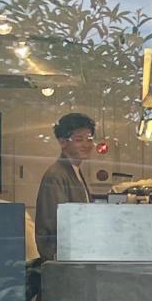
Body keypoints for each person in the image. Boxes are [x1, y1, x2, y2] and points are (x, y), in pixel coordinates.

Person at [33, 111, 96, 262]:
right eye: (79, 140)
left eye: (89, 139)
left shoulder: (75, 171)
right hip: (62, 259)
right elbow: (59, 225)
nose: (86, 145)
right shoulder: (56, 175)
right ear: (62, 142)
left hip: (73, 257)